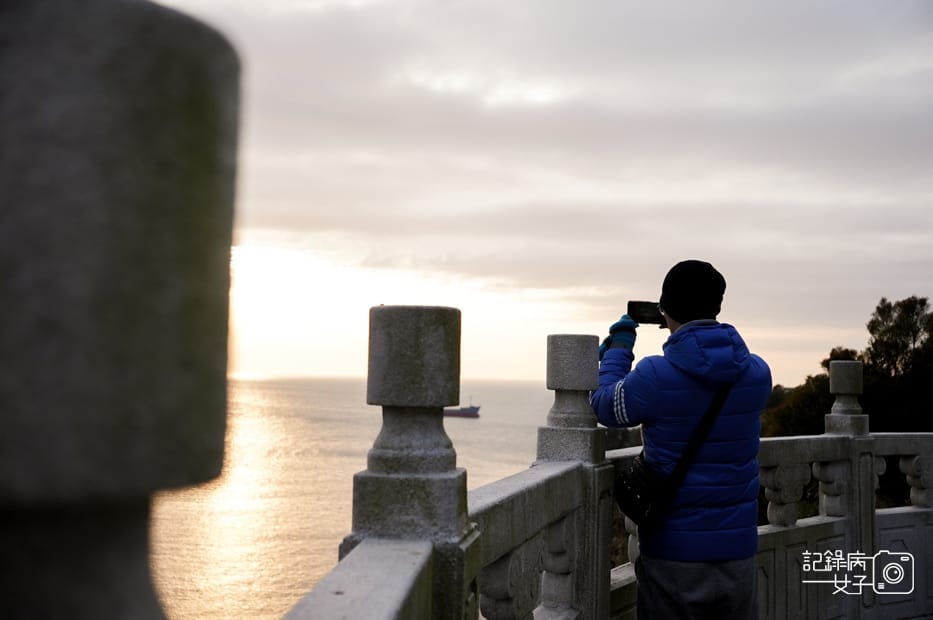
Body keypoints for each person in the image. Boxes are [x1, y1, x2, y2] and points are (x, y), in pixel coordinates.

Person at [590, 259, 771, 620]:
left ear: (665, 309)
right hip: (738, 552)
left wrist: (617, 352)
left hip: (673, 553)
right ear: (717, 306)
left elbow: (605, 406)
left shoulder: (656, 374)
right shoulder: (757, 373)